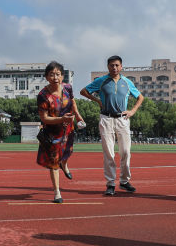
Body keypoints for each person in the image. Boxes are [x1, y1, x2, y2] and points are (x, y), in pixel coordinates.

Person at [81, 56, 144, 196]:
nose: (114, 68)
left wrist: (132, 111)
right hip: (106, 119)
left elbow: (140, 97)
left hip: (123, 119)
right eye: (111, 65)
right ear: (108, 67)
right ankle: (110, 184)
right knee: (109, 153)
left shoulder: (127, 82)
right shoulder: (101, 81)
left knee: (126, 152)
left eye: (116, 65)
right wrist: (97, 100)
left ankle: (124, 181)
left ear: (121, 67)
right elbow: (83, 91)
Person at [36, 61, 83, 203]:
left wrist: (79, 116)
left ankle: (65, 164)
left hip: (68, 129)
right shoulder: (43, 95)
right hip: (52, 133)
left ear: (62, 76)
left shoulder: (68, 88)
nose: (55, 77)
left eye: (58, 74)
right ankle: (57, 192)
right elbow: (44, 118)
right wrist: (61, 118)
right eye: (52, 74)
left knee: (68, 152)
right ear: (46, 77)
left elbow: (73, 102)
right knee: (54, 162)